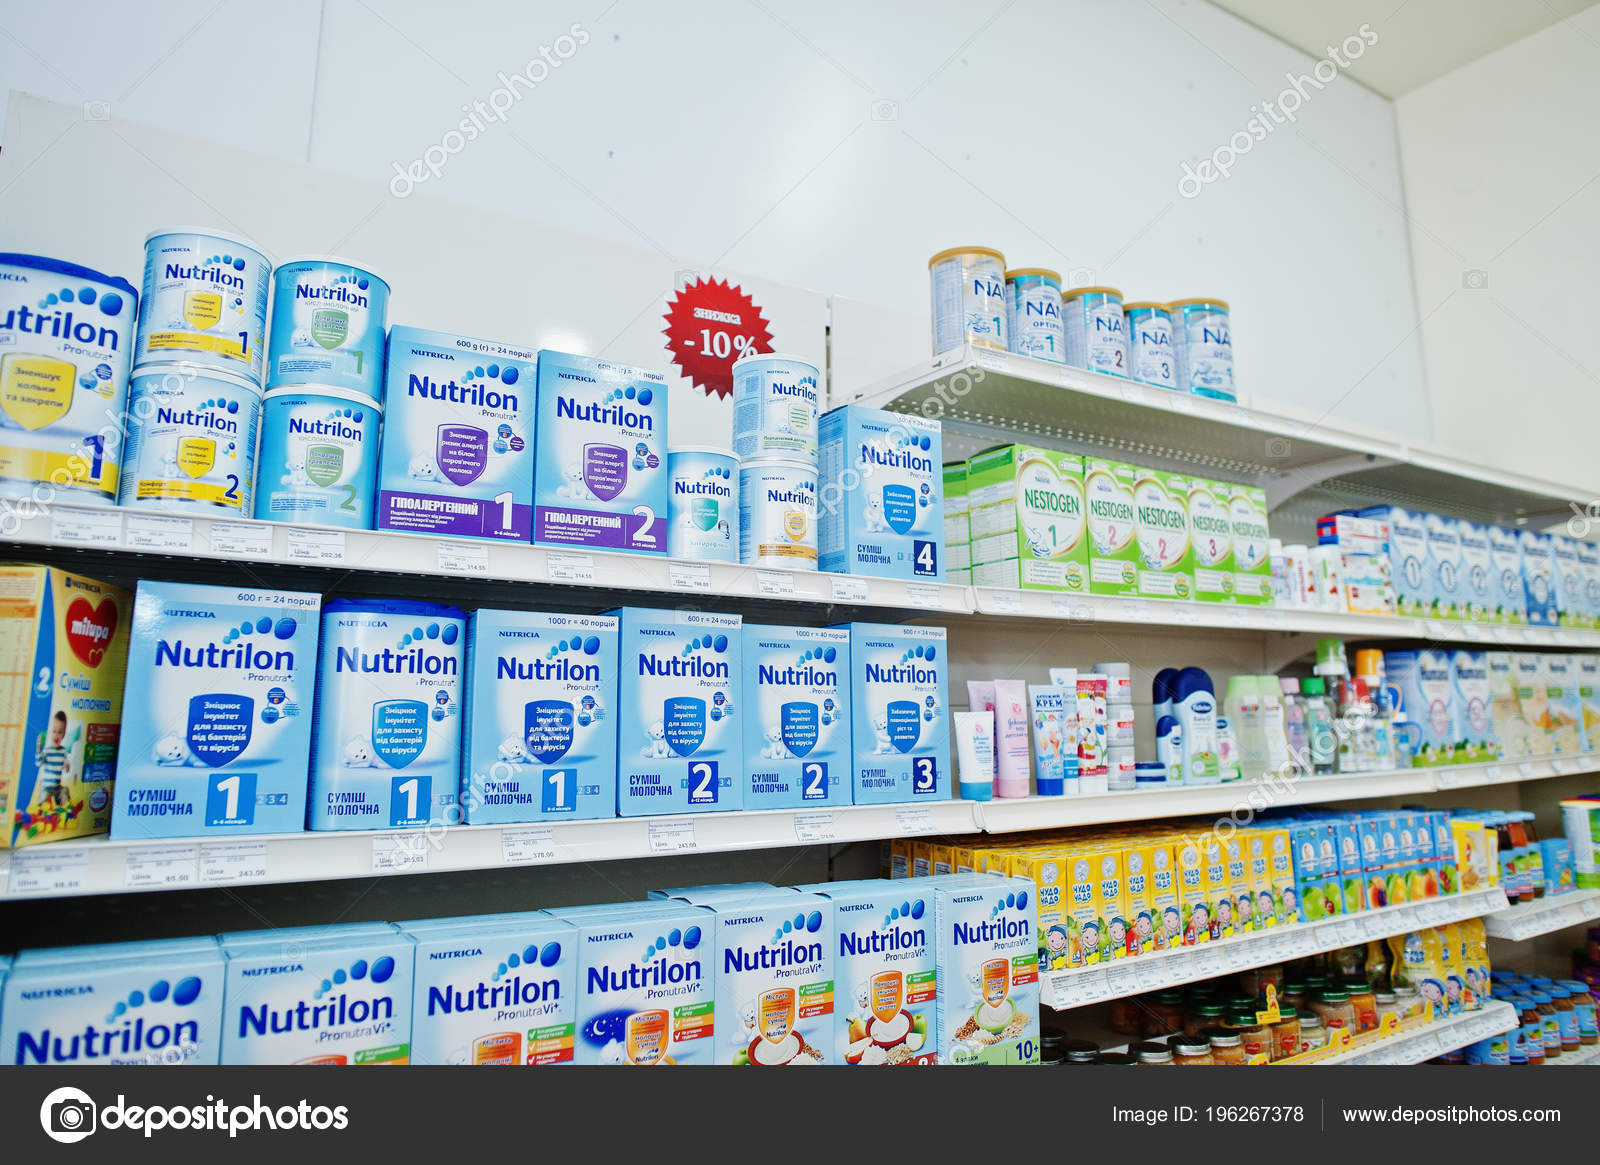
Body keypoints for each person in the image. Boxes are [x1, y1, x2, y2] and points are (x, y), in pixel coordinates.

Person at [34, 710, 71, 811]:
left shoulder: (63, 751)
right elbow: (38, 763)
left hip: (57, 787)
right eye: (54, 731)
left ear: (64, 735)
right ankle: (41, 808)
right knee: (44, 796)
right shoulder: (47, 750)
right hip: (47, 787)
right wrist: (38, 749)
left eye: (60, 732)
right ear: (50, 732)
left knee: (65, 791)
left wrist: (67, 766)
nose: (56, 735)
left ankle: (64, 809)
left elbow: (67, 762)